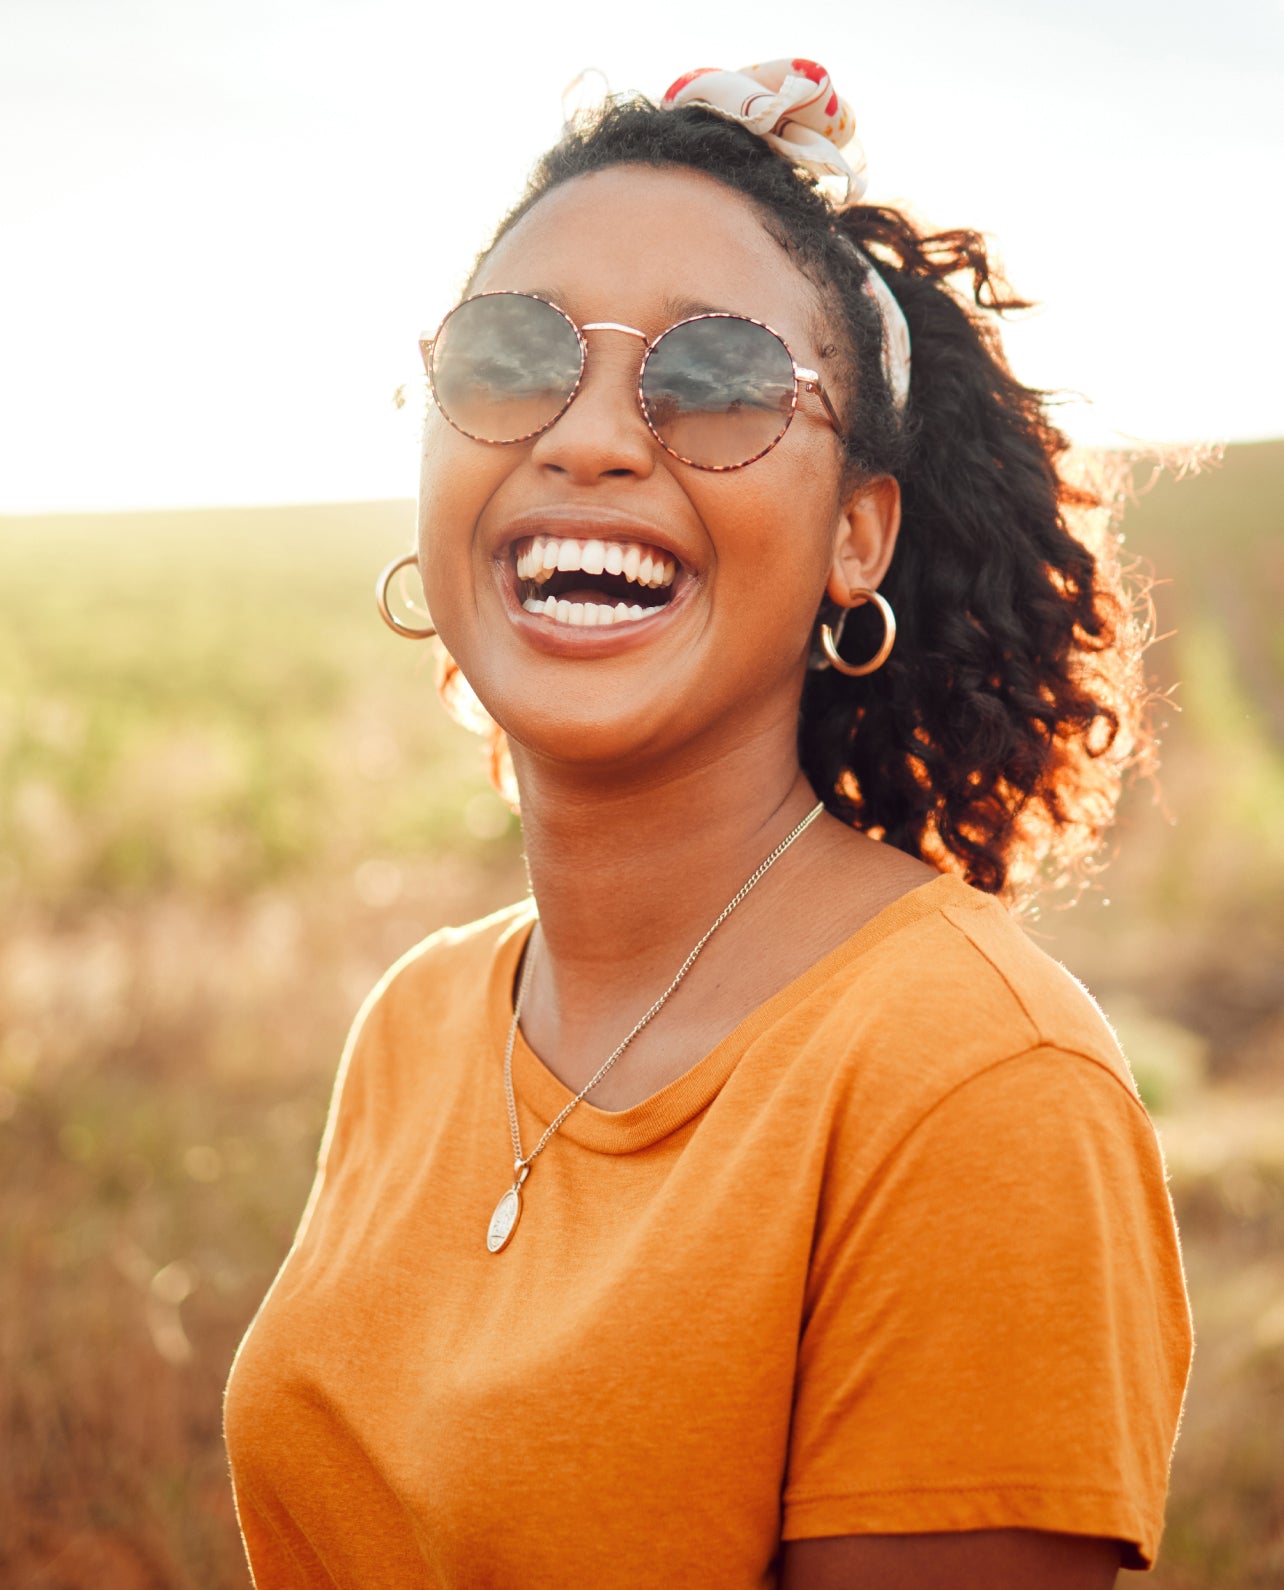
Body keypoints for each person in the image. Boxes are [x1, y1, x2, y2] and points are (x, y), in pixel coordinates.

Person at [224, 59, 1192, 1589]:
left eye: (721, 378)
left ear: (856, 533)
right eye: (508, 355)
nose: (592, 436)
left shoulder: (976, 1087)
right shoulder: (417, 1021)